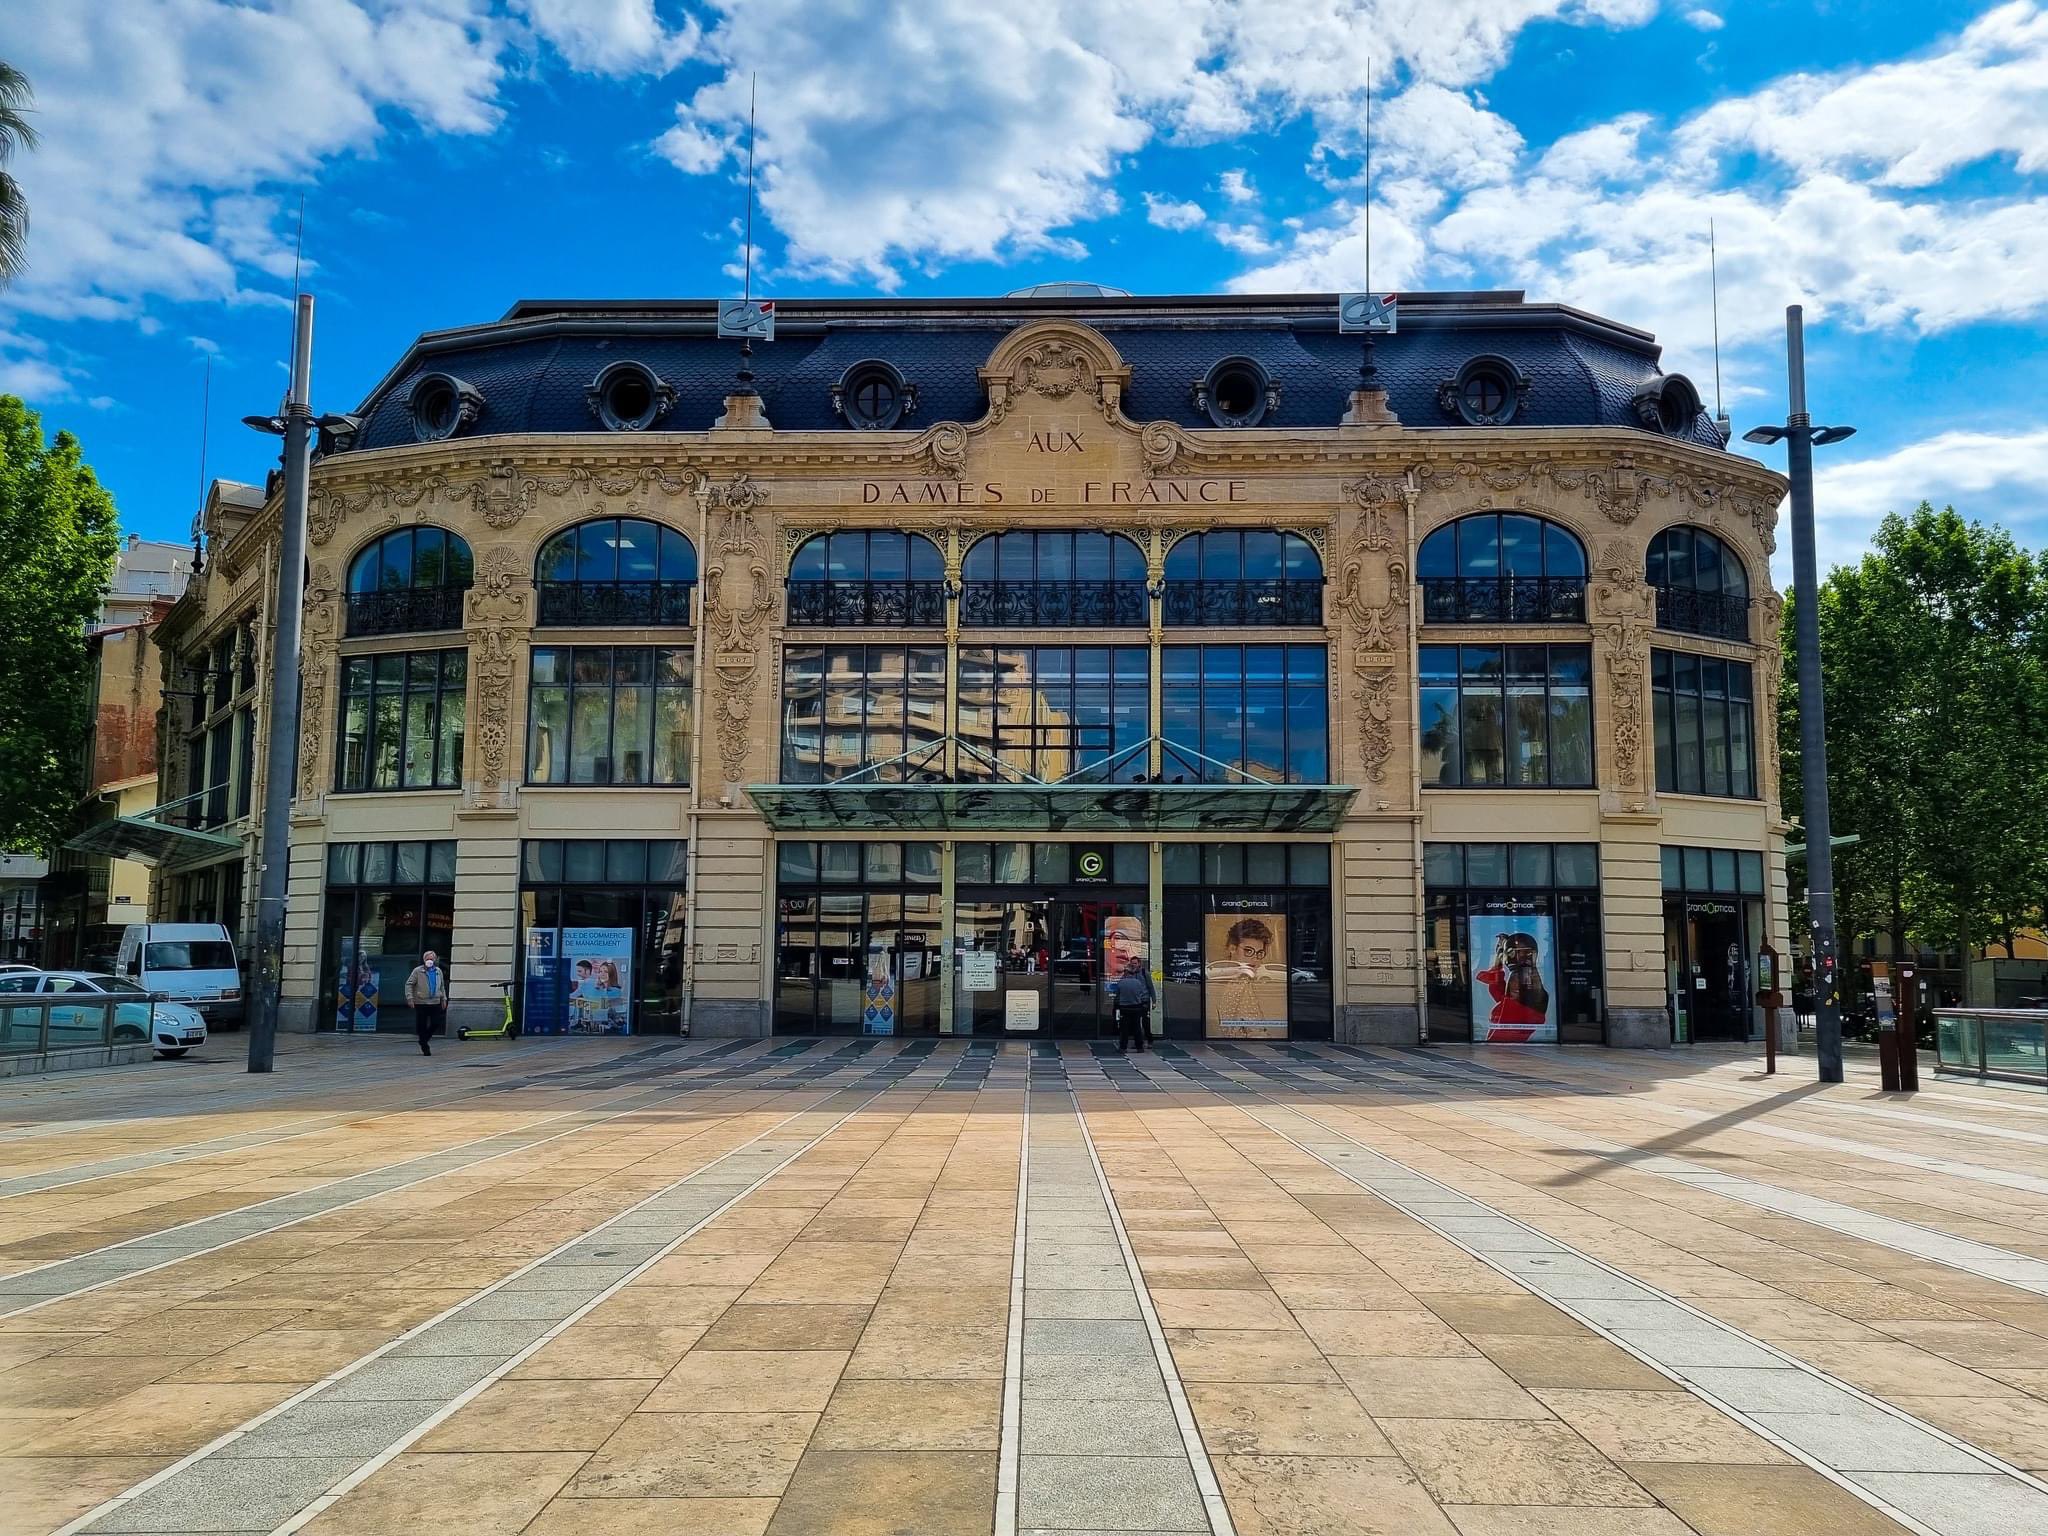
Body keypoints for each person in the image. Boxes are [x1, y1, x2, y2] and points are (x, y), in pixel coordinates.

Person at [405, 950, 447, 1056]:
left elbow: (442, 986)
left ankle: (424, 1039)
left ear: (435, 960)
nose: (429, 961)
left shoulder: (438, 971)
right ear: (424, 960)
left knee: (436, 1023)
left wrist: (444, 999)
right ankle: (425, 1046)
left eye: (431, 959)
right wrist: (410, 998)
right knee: (421, 1025)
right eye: (427, 959)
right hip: (421, 1002)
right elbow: (409, 984)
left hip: (435, 1002)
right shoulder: (418, 971)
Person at [1112, 960, 1155, 1053]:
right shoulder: (1138, 983)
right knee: (1137, 1028)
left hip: (1124, 1008)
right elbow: (1141, 994)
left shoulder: (1121, 983)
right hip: (1136, 1007)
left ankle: (1123, 1047)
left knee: (1124, 1029)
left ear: (1126, 973)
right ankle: (1140, 1047)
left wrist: (1116, 1006)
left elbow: (1117, 996)